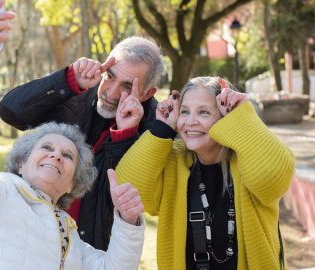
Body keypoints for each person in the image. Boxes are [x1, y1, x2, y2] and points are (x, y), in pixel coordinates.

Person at [0, 1, 146, 269]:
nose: (56, 155)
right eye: (46, 147)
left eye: (68, 156)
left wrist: (128, 222)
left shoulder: (69, 238)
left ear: (73, 184)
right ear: (21, 164)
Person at [0, 15, 164, 251]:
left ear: (147, 94)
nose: (111, 93)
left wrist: (123, 136)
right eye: (110, 76)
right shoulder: (75, 90)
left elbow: (129, 199)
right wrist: (66, 79)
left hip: (89, 251)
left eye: (128, 87)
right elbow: (9, 112)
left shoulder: (155, 128)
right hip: (31, 234)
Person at [115, 77, 295, 270]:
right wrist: (162, 129)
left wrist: (242, 116)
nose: (191, 122)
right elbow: (127, 187)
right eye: (184, 111)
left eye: (203, 112)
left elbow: (272, 178)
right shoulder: (173, 160)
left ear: (226, 117)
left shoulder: (250, 159)